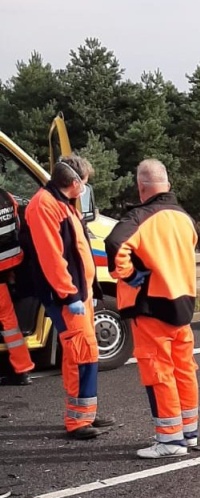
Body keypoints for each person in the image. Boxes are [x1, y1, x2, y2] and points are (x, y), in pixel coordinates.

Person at [105, 159, 199, 459]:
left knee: (159, 372)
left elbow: (114, 243)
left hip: (152, 305)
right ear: (167, 184)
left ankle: (170, 441)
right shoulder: (184, 217)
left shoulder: (141, 216)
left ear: (141, 186)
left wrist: (130, 276)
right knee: (184, 369)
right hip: (182, 304)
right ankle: (188, 432)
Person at [23, 155, 115, 439]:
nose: (86, 188)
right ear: (75, 183)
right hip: (67, 296)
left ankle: (85, 413)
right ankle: (77, 421)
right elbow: (52, 258)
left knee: (83, 352)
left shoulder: (60, 203)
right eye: (85, 183)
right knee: (81, 354)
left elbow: (76, 250)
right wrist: (69, 295)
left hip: (78, 294)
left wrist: (87, 292)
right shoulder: (46, 206)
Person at [0, 188, 35, 386]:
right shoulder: (6, 197)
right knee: (9, 323)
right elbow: (17, 224)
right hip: (11, 265)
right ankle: (22, 369)